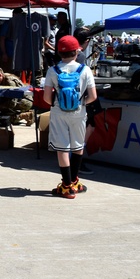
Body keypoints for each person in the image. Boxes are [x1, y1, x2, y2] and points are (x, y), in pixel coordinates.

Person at [43, 35, 97, 199]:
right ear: (76, 52)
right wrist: (81, 104)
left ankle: (66, 186)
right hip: (79, 113)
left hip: (59, 113)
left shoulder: (53, 71)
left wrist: (58, 104)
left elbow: (46, 98)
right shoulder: (85, 70)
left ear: (59, 52)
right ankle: (74, 181)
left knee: (62, 149)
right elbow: (93, 96)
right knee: (78, 146)